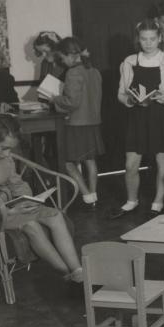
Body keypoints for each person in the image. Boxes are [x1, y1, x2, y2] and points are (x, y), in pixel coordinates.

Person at [0, 114, 83, 290]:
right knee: (30, 224)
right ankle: (69, 276)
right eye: (4, 148)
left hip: (10, 207)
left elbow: (17, 183)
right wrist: (2, 210)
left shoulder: (4, 156)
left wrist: (26, 199)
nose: (7, 154)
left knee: (55, 215)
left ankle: (78, 272)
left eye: (10, 149)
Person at [109, 19, 164, 219]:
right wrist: (130, 101)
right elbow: (120, 94)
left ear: (159, 38)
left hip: (162, 117)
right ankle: (131, 201)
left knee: (163, 163)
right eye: (144, 39)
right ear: (138, 39)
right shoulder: (129, 62)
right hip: (137, 117)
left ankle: (157, 202)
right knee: (131, 163)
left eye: (152, 39)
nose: (148, 43)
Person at [50, 37, 104, 210]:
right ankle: (94, 195)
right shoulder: (94, 71)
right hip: (93, 122)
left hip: (76, 124)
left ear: (69, 55)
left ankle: (86, 194)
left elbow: (72, 102)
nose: (62, 61)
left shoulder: (73, 73)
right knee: (90, 160)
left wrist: (54, 98)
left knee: (66, 162)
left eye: (62, 58)